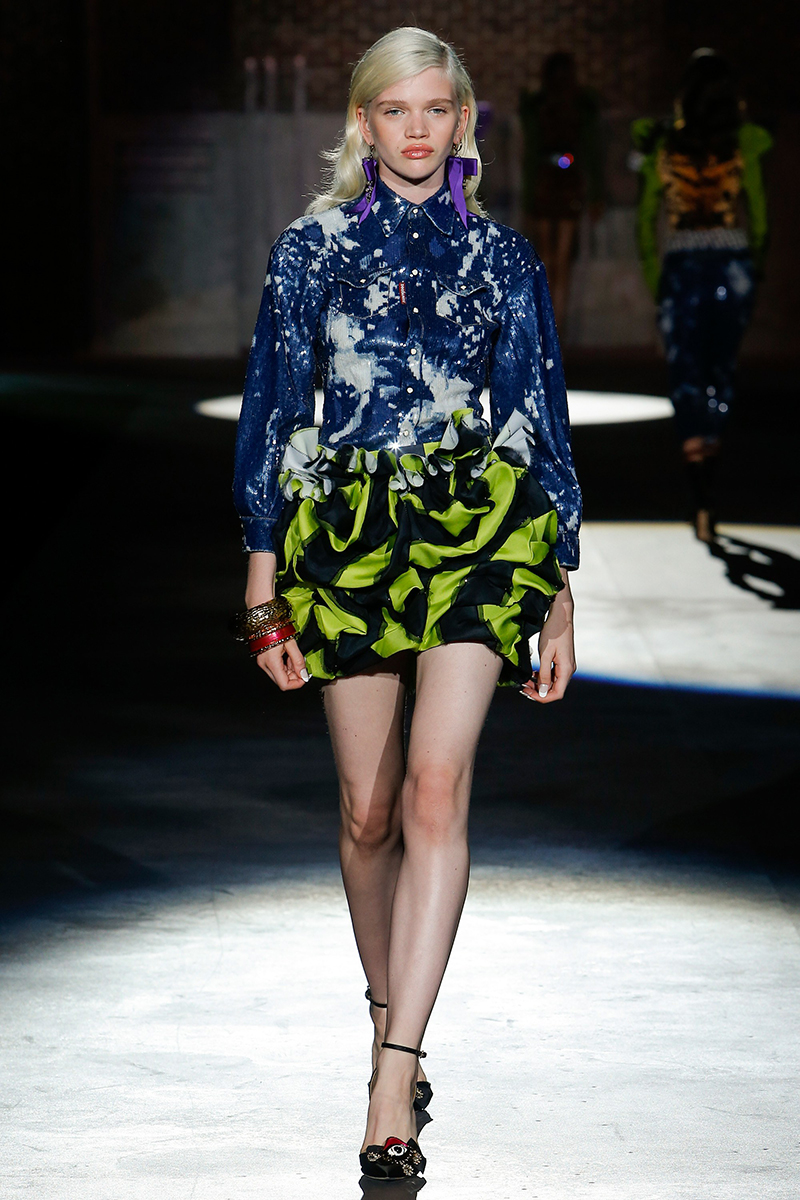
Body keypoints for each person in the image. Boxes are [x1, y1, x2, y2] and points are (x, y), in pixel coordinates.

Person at [233, 27, 580, 1181]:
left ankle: (394, 1074)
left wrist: (557, 585)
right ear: (363, 123)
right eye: (395, 109)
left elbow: (536, 416)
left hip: (478, 532)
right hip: (349, 537)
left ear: (462, 121)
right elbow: (275, 409)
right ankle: (389, 1011)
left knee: (435, 784)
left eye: (436, 109)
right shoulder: (309, 253)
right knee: (368, 810)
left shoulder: (502, 260)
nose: (417, 129)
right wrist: (262, 572)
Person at [632, 49, 772, 542]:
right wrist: (754, 266)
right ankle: (711, 467)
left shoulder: (663, 145)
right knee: (721, 373)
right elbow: (760, 215)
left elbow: (645, 221)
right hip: (733, 266)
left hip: (683, 269)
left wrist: (658, 279)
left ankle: (701, 496)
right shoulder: (744, 142)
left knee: (687, 379)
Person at [519, 52, 604, 329]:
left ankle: (551, 330)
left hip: (550, 179)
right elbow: (591, 151)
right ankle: (556, 329)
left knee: (549, 259)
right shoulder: (576, 104)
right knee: (560, 261)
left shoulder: (542, 105)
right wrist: (596, 194)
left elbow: (531, 152)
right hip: (564, 179)